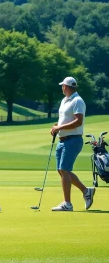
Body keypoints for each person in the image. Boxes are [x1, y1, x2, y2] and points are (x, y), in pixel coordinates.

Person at [50, 76, 95, 211]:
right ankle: (86, 191)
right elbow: (65, 119)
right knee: (61, 170)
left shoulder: (77, 101)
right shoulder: (64, 101)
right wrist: (57, 126)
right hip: (62, 140)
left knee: (64, 170)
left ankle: (67, 203)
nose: (62, 87)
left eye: (63, 85)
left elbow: (78, 121)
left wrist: (60, 128)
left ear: (67, 87)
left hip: (73, 139)